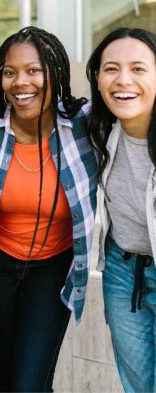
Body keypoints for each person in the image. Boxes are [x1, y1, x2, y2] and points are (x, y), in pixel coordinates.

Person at [0, 26, 97, 392]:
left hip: (52, 269)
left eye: (34, 70)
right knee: (12, 380)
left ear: (56, 72)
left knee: (27, 384)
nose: (20, 82)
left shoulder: (83, 125)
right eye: (9, 72)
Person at [86, 27, 156, 393]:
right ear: (97, 79)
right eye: (111, 68)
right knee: (139, 386)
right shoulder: (97, 129)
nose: (123, 80)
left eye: (139, 69)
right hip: (122, 273)